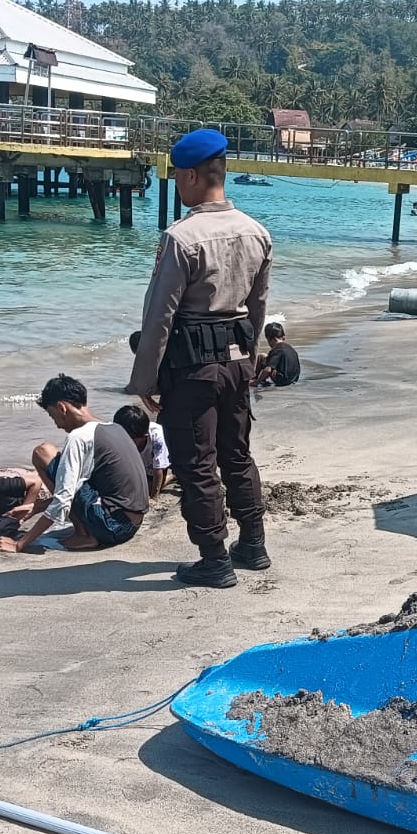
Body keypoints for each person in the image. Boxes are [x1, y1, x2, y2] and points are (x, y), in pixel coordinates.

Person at [127, 128, 271, 589]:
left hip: (192, 368)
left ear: (190, 176)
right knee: (237, 455)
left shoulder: (181, 238)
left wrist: (144, 380)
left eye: (177, 176)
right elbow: (258, 308)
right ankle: (253, 544)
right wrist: (251, 361)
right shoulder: (257, 232)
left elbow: (160, 316)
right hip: (238, 360)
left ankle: (214, 559)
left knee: (196, 464)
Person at [0, 374, 149, 553]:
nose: (57, 425)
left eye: (53, 416)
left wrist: (20, 544)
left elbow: (65, 497)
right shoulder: (114, 427)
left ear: (62, 408)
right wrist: (37, 507)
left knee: (43, 452)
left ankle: (83, 534)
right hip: (130, 525)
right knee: (69, 470)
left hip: (111, 527)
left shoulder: (79, 437)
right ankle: (86, 529)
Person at [113, 404, 172, 501]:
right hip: (139, 465)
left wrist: (154, 498)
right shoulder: (118, 435)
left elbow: (158, 468)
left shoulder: (156, 437)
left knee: (146, 489)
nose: (127, 442)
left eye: (131, 439)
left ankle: (172, 476)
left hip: (157, 466)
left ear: (145, 435)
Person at [255, 322, 301, 387]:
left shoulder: (276, 349)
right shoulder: (291, 349)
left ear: (269, 339)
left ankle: (254, 379)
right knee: (267, 358)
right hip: (294, 379)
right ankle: (261, 380)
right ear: (283, 337)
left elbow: (268, 370)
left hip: (282, 381)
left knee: (261, 357)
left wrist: (256, 382)